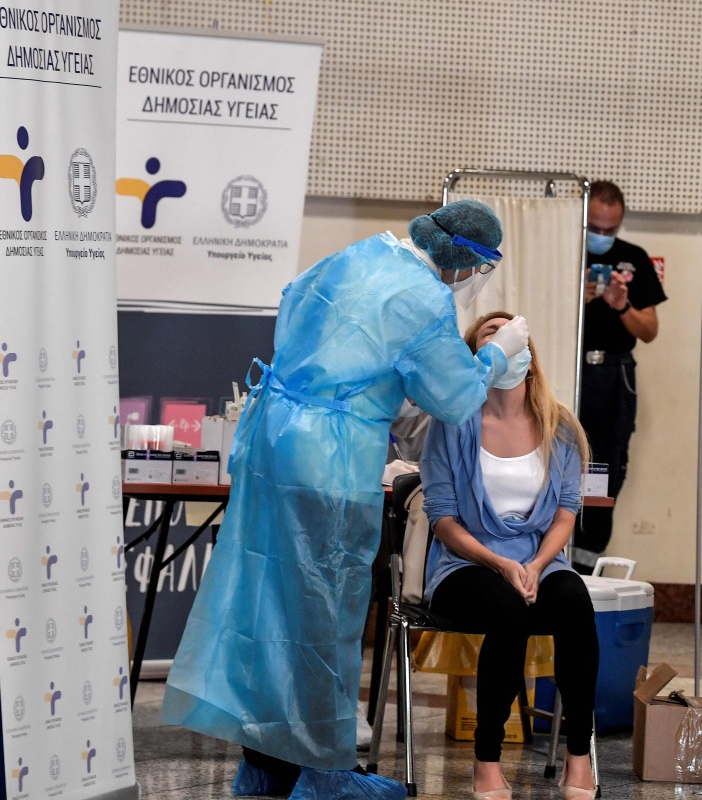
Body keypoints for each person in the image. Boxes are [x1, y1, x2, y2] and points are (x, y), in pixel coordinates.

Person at [160, 200, 531, 800]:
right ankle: (321, 774)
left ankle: (264, 764)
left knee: (264, 607)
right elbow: (455, 397)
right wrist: (496, 354)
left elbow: (303, 315)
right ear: (466, 259)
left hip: (273, 439)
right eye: (480, 268)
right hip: (328, 457)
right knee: (321, 617)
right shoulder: (423, 296)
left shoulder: (356, 256)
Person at [420, 311, 599, 800]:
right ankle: (487, 763)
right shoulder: (451, 424)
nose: (504, 340)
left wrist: (537, 565)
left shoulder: (559, 426)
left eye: (511, 334)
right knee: (509, 611)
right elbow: (443, 520)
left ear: (529, 357)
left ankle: (578, 759)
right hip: (465, 565)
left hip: (539, 562)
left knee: (575, 601)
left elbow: (565, 514)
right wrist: (499, 564)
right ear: (476, 357)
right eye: (491, 334)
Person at [572, 180, 666, 573]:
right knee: (556, 461)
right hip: (567, 371)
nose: (602, 236)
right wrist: (576, 298)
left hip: (613, 376)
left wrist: (622, 305)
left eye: (609, 229)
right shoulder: (563, 249)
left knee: (604, 470)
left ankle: (585, 568)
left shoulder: (634, 259)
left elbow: (649, 330)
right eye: (594, 227)